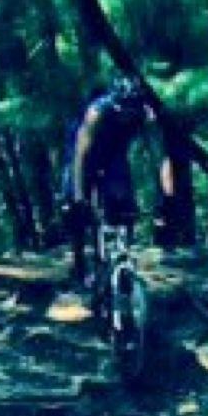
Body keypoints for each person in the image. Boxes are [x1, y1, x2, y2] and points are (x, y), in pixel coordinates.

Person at [63, 76, 157, 284]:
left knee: (123, 202)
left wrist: (166, 195)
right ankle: (79, 260)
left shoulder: (146, 115)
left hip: (114, 153)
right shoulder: (97, 112)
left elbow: (158, 155)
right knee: (74, 204)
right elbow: (79, 155)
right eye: (122, 111)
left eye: (130, 112)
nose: (125, 116)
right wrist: (78, 195)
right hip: (85, 150)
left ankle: (122, 257)